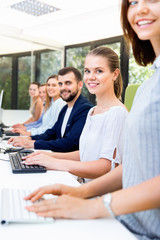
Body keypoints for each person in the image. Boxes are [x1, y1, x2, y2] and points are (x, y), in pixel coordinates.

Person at [24, 1, 160, 239]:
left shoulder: (121, 110)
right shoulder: (149, 86)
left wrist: (94, 204)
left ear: (114, 74)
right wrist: (79, 192)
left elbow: (108, 165)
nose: (140, 9)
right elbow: (135, 167)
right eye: (134, 1)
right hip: (127, 219)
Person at [22, 47, 128, 182]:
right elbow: (84, 155)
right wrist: (49, 155)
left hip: (99, 195)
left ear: (115, 74)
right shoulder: (92, 111)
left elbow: (105, 167)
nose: (91, 77)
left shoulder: (117, 113)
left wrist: (55, 163)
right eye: (87, 71)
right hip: (81, 184)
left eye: (99, 71)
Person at [8, 67, 93, 152]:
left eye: (68, 83)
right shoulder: (65, 108)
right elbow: (51, 133)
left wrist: (32, 144)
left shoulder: (84, 109)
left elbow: (68, 143)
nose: (63, 88)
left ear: (80, 85)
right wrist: (28, 138)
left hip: (69, 162)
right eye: (60, 84)